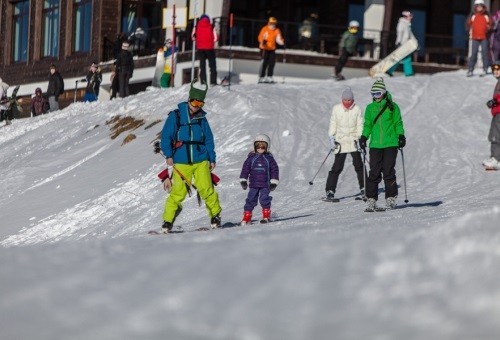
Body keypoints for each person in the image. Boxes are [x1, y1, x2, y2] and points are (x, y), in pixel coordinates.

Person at [159, 80, 222, 232]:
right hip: (181, 160)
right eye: (194, 102)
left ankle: (215, 216)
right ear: (189, 100)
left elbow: (208, 138)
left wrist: (211, 158)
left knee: (206, 188)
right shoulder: (176, 116)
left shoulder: (202, 119)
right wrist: (168, 154)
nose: (196, 106)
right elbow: (166, 136)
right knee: (178, 192)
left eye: (200, 104)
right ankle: (167, 221)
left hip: (201, 159)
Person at [358, 78, 406, 211]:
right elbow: (367, 125)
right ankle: (371, 199)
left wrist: (401, 135)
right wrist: (363, 137)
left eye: (378, 93)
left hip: (391, 143)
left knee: (389, 171)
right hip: (375, 145)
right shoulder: (369, 108)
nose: (375, 96)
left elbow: (398, 123)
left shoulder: (393, 106)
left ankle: (391, 198)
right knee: (374, 172)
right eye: (373, 94)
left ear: (384, 93)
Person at [325, 87, 366, 201]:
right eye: (345, 100)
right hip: (341, 141)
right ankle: (330, 190)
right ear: (342, 100)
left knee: (359, 166)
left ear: (353, 100)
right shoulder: (336, 109)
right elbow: (333, 123)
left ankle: (365, 188)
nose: (347, 102)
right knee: (337, 167)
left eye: (349, 100)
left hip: (353, 141)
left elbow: (360, 124)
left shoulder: (357, 109)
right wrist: (331, 137)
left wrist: (360, 139)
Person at [239, 134, 280, 224]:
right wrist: (243, 180)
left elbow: (274, 170)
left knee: (264, 199)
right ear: (254, 146)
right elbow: (245, 169)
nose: (260, 148)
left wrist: (274, 181)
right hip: (254, 184)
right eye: (258, 146)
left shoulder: (269, 159)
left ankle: (266, 215)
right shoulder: (251, 158)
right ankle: (247, 216)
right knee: (250, 199)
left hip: (265, 184)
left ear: (267, 147)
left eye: (263, 146)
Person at [386, 11, 416, 77]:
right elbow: (399, 33)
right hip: (401, 45)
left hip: (406, 45)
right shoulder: (401, 23)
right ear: (405, 16)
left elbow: (411, 36)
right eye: (410, 16)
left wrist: (416, 43)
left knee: (404, 58)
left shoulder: (408, 25)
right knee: (401, 58)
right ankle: (408, 73)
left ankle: (390, 71)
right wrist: (398, 42)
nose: (411, 17)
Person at [466, 0, 491, 77]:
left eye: (481, 6)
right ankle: (470, 69)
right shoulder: (473, 15)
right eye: (478, 6)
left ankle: (485, 68)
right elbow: (468, 24)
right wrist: (469, 30)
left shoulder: (486, 15)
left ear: (483, 7)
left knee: (485, 53)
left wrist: (488, 28)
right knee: (473, 53)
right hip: (475, 37)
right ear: (475, 7)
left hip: (484, 37)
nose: (479, 7)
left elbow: (490, 24)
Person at [192, 15, 218, 86]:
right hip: (209, 48)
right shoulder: (211, 26)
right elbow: (215, 38)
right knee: (212, 65)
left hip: (200, 49)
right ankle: (213, 82)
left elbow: (193, 37)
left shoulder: (196, 26)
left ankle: (203, 82)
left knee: (202, 65)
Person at [257, 17, 285, 83]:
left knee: (272, 63)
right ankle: (261, 77)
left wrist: (282, 43)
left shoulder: (276, 30)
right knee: (264, 63)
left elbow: (278, 38)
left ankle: (269, 76)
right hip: (264, 48)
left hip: (272, 49)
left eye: (274, 23)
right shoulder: (265, 29)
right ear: (269, 23)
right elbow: (260, 37)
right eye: (271, 23)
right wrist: (263, 41)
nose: (273, 25)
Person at [483, 61, 500, 170]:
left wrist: (495, 101)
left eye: (498, 69)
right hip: (497, 111)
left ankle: (495, 158)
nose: (496, 72)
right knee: (494, 134)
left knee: (495, 135)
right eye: (494, 70)